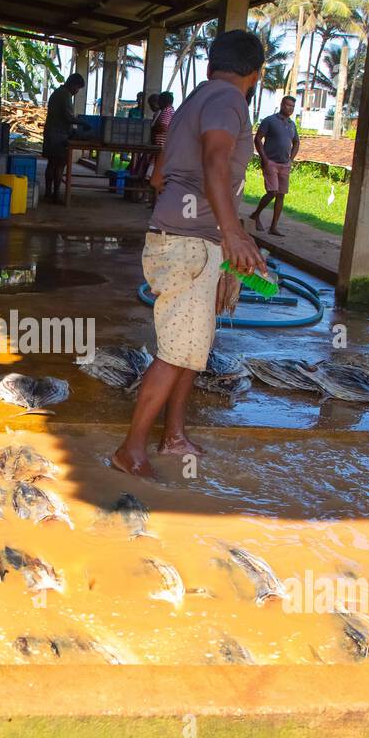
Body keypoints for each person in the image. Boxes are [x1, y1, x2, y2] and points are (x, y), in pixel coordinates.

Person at [112, 30, 268, 478]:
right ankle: (130, 450)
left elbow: (159, 177)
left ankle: (173, 435)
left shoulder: (187, 105)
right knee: (176, 350)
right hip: (189, 244)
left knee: (188, 347)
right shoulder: (229, 100)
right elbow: (217, 162)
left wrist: (222, 238)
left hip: (181, 238)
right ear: (255, 75)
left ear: (208, 65)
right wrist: (232, 232)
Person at [249, 95, 299, 237]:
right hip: (270, 162)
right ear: (282, 104)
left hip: (285, 164)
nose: (290, 108)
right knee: (272, 192)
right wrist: (264, 158)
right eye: (288, 105)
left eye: (292, 107)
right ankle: (256, 214)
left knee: (281, 195)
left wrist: (291, 159)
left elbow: (296, 142)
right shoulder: (270, 120)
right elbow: (258, 138)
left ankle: (274, 227)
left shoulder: (291, 124)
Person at [42, 73, 86, 203]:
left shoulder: (59, 92)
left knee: (52, 163)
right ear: (73, 84)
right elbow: (68, 117)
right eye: (77, 88)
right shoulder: (65, 95)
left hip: (53, 132)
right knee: (59, 164)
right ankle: (55, 194)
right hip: (58, 135)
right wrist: (83, 122)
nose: (77, 91)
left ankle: (48, 194)